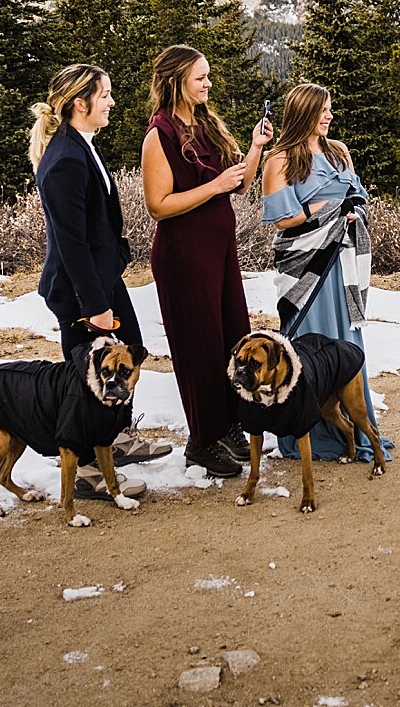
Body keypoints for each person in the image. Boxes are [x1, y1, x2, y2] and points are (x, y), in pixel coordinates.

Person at [26, 64, 159, 497]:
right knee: (86, 378)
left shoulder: (80, 145)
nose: (112, 102)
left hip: (101, 282)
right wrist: (95, 306)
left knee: (129, 352)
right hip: (81, 292)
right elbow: (71, 244)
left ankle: (115, 439)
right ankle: (87, 472)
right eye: (104, 95)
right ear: (79, 104)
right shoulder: (63, 159)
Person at [142, 45, 271, 478]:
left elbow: (237, 184)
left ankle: (229, 426)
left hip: (219, 251)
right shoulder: (159, 135)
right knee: (198, 347)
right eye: (200, 77)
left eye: (208, 76)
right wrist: (214, 187)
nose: (208, 83)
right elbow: (158, 206)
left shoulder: (205, 125)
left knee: (232, 336)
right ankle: (202, 441)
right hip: (183, 256)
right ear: (177, 80)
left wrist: (255, 149)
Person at [260, 82, 387, 462]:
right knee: (310, 344)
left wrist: (353, 211)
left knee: (345, 344)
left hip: (343, 263)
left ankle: (358, 425)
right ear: (303, 114)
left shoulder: (338, 152)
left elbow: (359, 195)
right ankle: (312, 433)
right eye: (322, 110)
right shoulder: (279, 160)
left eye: (330, 109)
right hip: (308, 269)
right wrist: (322, 209)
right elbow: (282, 220)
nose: (329, 116)